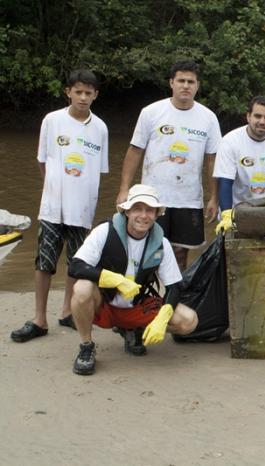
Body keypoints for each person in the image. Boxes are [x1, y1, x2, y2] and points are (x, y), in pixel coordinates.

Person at [11, 69, 108, 343]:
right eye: (78, 91)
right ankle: (39, 319)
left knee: (76, 264)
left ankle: (67, 311)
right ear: (68, 91)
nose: (83, 97)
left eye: (89, 93)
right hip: (52, 207)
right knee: (44, 262)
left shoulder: (100, 128)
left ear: (96, 95)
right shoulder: (51, 121)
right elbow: (43, 160)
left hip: (83, 209)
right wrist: (53, 190)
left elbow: (98, 171)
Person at [68, 184, 198, 375]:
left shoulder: (161, 243)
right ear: (127, 211)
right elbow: (76, 266)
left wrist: (163, 318)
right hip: (104, 304)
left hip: (137, 305)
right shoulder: (104, 231)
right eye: (137, 208)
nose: (143, 216)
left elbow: (174, 287)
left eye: (149, 210)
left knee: (189, 321)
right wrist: (114, 279)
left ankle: (135, 330)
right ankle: (86, 346)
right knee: (82, 288)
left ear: (156, 215)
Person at [116, 60, 222, 271]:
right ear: (171, 83)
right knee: (148, 250)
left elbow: (213, 159)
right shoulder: (151, 112)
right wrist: (123, 189)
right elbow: (135, 150)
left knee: (181, 252)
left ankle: (174, 298)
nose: (185, 86)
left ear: (197, 86)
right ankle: (147, 300)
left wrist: (214, 197)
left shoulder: (208, 118)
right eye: (181, 80)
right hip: (154, 196)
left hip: (189, 198)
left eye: (190, 81)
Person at [213, 96, 265, 233]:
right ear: (248, 117)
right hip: (237, 212)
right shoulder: (230, 141)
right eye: (257, 116)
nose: (262, 122)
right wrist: (227, 214)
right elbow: (225, 182)